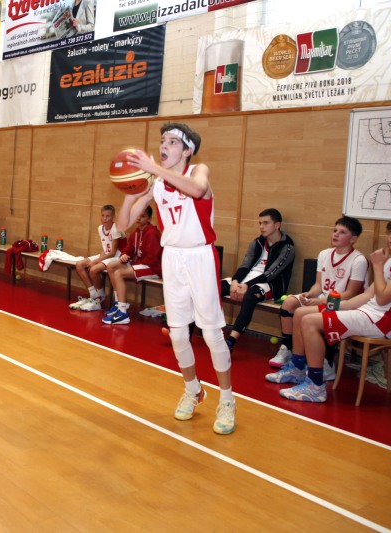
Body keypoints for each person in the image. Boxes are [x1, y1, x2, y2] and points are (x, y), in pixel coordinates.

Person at [118, 122, 235, 435]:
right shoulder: (157, 183)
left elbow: (196, 190)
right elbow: (124, 224)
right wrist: (130, 193)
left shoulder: (199, 171)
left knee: (211, 334)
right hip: (172, 259)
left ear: (187, 150)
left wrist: (153, 169)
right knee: (178, 334)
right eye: (162, 141)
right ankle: (193, 389)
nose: (164, 146)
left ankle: (227, 400)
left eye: (171, 142)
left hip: (200, 257)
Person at [269, 216, 391, 403]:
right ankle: (297, 368)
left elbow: (383, 298)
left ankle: (315, 386)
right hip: (367, 312)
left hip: (383, 322)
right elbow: (367, 296)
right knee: (301, 313)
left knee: (309, 321)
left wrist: (377, 266)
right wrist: (331, 306)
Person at [269, 215, 368, 369]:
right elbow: (318, 285)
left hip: (344, 304)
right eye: (335, 230)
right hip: (323, 298)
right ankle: (287, 348)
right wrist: (309, 294)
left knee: (304, 313)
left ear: (353, 239)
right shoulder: (324, 254)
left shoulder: (358, 260)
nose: (336, 234)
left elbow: (350, 294)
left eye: (342, 232)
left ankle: (322, 360)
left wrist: (320, 301)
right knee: (289, 303)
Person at [222, 208, 295, 352]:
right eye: (260, 223)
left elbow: (271, 274)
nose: (261, 226)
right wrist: (236, 282)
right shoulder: (257, 242)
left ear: (277, 225)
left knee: (250, 296)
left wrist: (246, 285)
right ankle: (199, 328)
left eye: (266, 223)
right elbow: (245, 265)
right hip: (247, 280)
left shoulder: (287, 247)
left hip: (271, 284)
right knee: (214, 287)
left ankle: (231, 341)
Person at [101, 206, 162, 325]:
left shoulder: (152, 233)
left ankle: (122, 312)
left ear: (149, 218)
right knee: (111, 266)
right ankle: (118, 303)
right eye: (137, 216)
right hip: (142, 264)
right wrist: (124, 256)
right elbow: (128, 250)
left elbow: (152, 259)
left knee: (119, 273)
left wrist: (132, 264)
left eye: (143, 216)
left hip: (153, 268)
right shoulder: (135, 232)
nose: (138, 219)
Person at [68, 205, 125, 312]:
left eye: (108, 216)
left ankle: (101, 297)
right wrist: (99, 257)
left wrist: (96, 261)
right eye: (103, 215)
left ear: (113, 217)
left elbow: (113, 252)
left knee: (93, 269)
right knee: (79, 265)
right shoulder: (100, 228)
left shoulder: (115, 229)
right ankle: (94, 295)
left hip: (116, 257)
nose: (104, 218)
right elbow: (105, 248)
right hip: (106, 255)